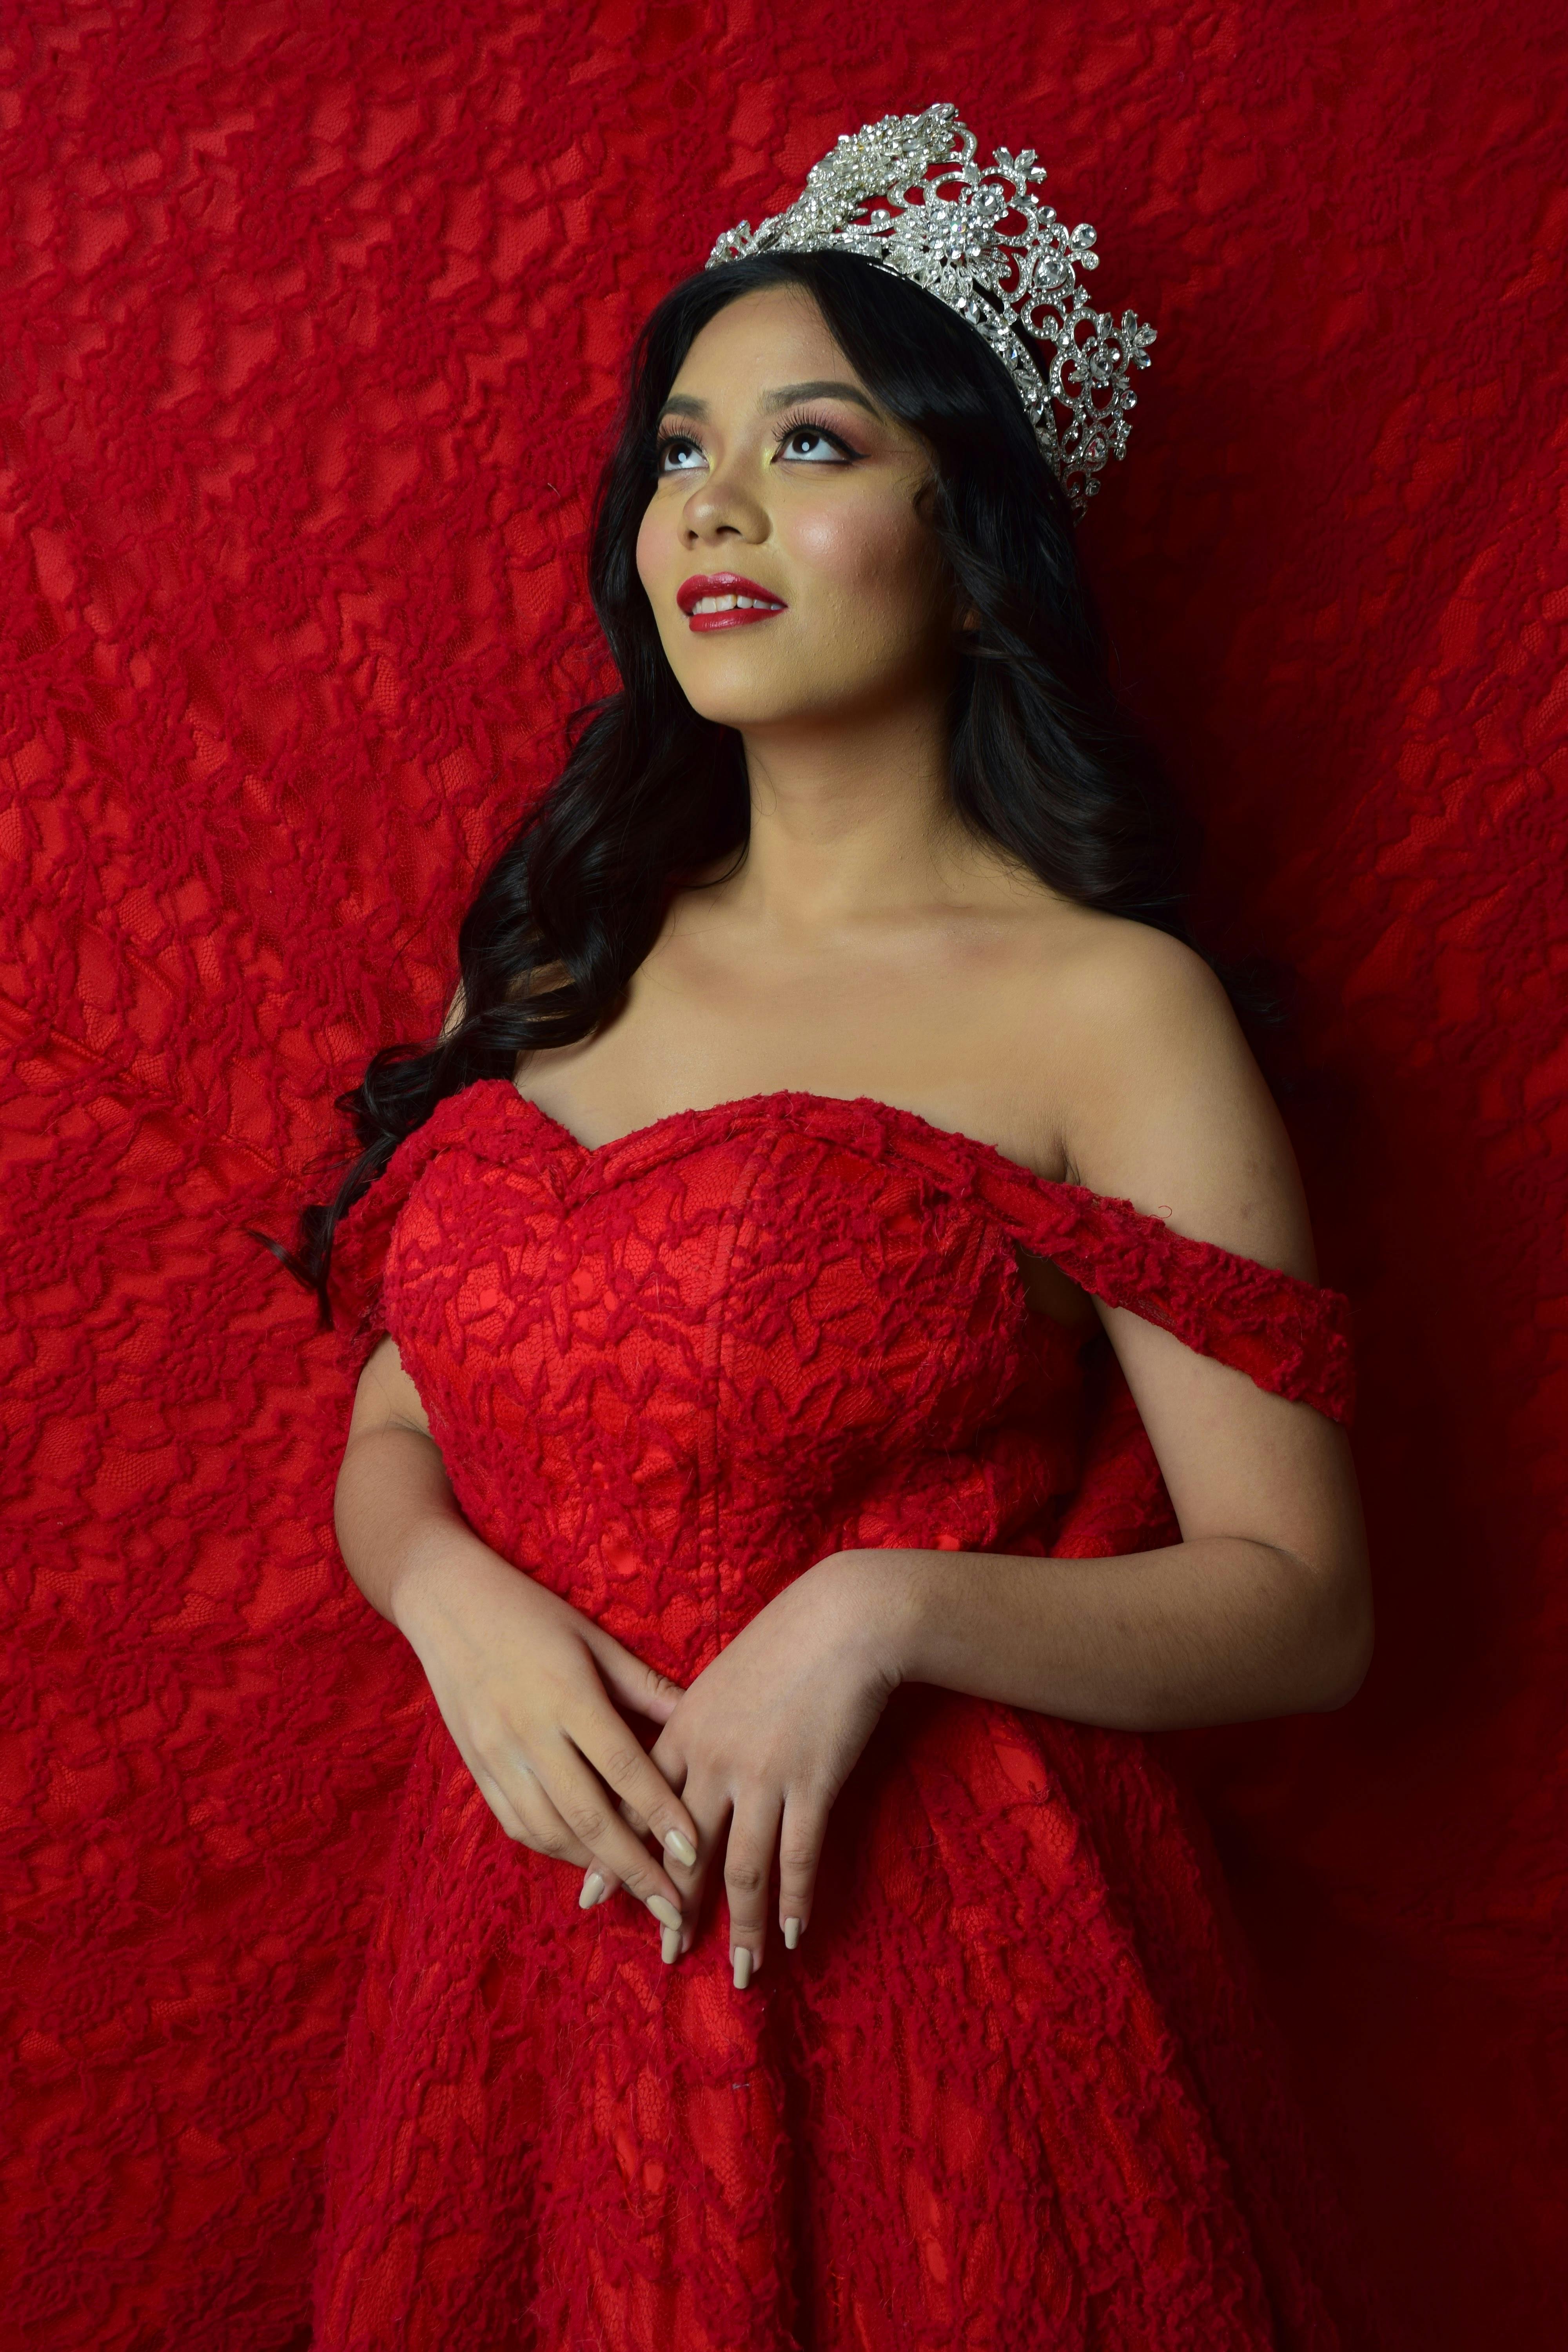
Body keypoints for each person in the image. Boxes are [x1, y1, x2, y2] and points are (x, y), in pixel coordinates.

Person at [289, 105, 1374, 2352]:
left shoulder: (1105, 1006)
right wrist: (446, 1600)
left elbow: (1306, 1606)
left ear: (972, 548)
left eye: (809, 441)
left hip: (943, 1978)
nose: (712, 501)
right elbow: (404, 1418)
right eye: (682, 449)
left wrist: (884, 1609)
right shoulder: (553, 958)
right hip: (524, 1968)